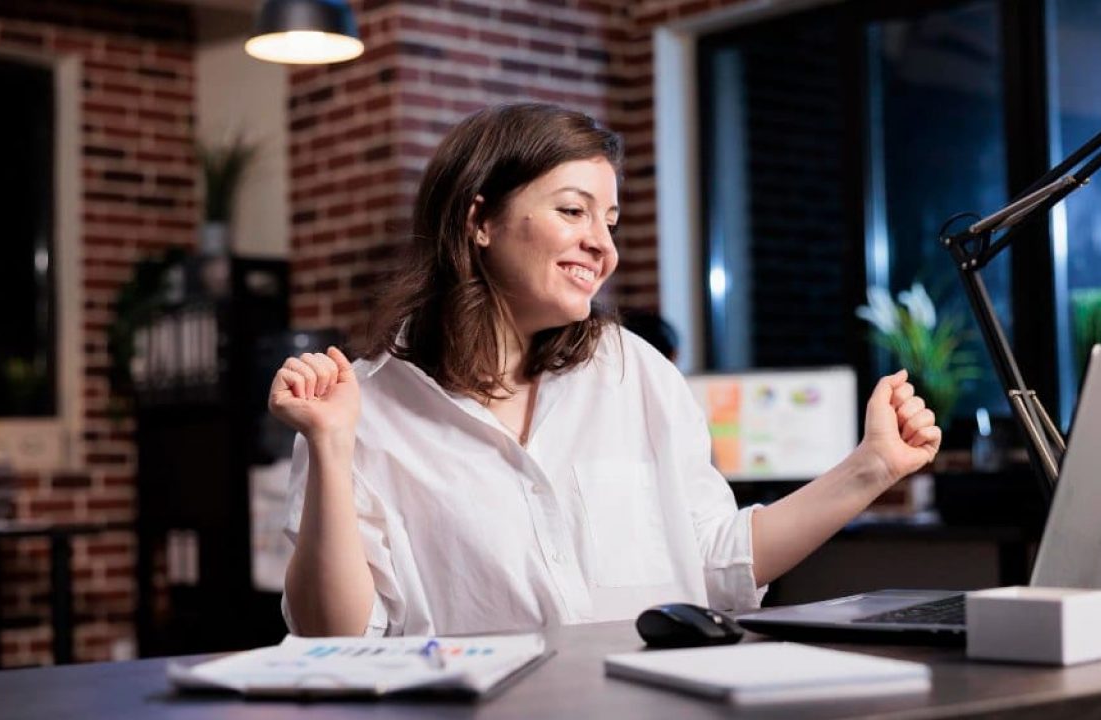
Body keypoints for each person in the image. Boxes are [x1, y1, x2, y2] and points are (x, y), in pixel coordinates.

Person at [268, 103, 941, 638]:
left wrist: (872, 466)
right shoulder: (363, 407)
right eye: (572, 211)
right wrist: (329, 448)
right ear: (479, 220)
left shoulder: (634, 371)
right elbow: (338, 634)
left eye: (610, 220)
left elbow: (718, 562)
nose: (603, 245)